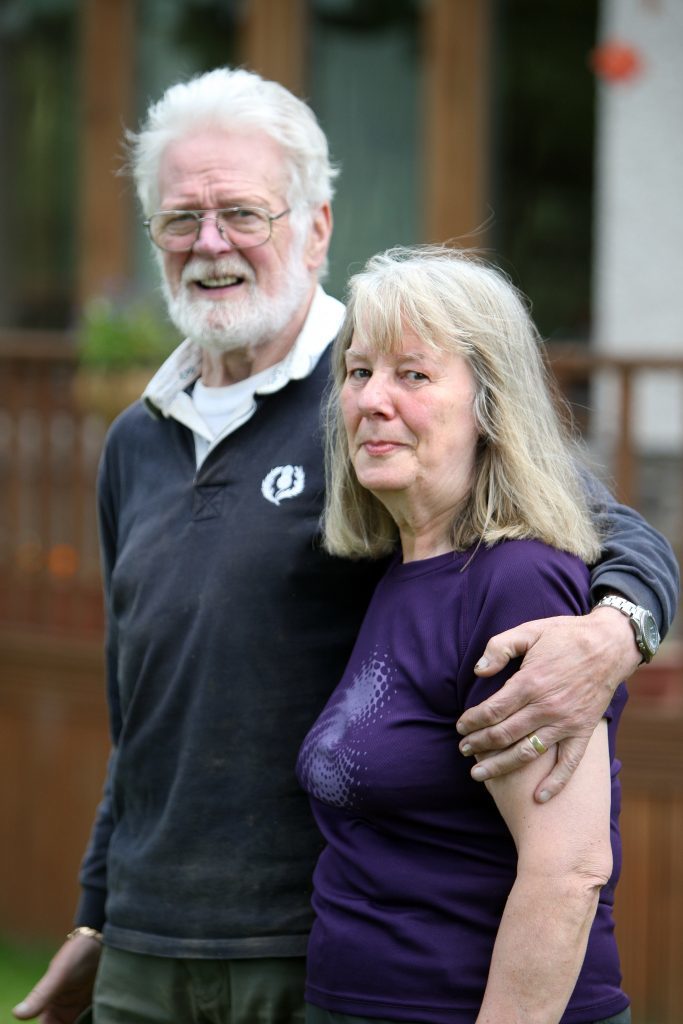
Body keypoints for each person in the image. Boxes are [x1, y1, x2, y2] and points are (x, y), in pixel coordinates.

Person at [13, 68, 677, 1024]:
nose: (209, 244)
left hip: (305, 947)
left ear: (317, 224)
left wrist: (617, 627)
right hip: (148, 952)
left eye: (242, 212)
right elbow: (141, 709)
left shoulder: (387, 404)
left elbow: (598, 526)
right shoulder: (134, 443)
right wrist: (97, 914)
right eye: (179, 219)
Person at [297, 244, 635, 1024]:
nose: (372, 400)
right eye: (358, 372)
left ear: (490, 404)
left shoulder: (514, 583)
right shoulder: (400, 571)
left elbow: (568, 872)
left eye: (412, 374)